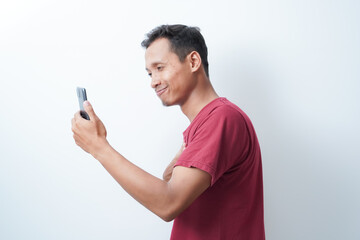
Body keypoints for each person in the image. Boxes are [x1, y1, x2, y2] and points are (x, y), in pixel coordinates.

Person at [71, 24, 265, 240]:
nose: (153, 82)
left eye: (160, 68)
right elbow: (171, 181)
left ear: (193, 62)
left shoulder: (222, 119)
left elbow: (168, 202)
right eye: (149, 73)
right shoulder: (203, 125)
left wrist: (99, 147)